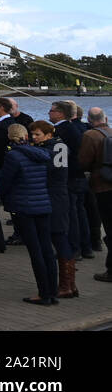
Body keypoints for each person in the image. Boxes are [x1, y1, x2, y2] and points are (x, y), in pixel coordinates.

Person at [0, 123, 58, 305]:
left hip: (24, 206)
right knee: (47, 248)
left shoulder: (13, 156)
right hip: (43, 204)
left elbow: (6, 182)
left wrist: (5, 198)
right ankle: (53, 290)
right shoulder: (43, 154)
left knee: (35, 250)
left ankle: (44, 293)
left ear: (10, 137)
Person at [31, 120, 78, 299]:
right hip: (61, 195)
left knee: (58, 238)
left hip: (53, 196)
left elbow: (49, 169)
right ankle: (69, 284)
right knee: (61, 237)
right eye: (33, 135)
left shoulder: (50, 149)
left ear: (48, 134)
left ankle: (66, 285)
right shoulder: (61, 146)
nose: (34, 138)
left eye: (37, 135)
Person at [50, 100, 92, 259]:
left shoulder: (61, 131)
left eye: (52, 110)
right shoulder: (73, 128)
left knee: (70, 214)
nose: (49, 113)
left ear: (60, 113)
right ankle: (85, 246)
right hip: (79, 176)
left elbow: (59, 158)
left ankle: (74, 248)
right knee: (80, 212)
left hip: (69, 178)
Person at [79, 107, 112, 283]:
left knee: (109, 227)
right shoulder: (110, 132)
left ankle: (111, 270)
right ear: (105, 117)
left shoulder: (90, 136)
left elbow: (83, 162)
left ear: (89, 119)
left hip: (101, 186)